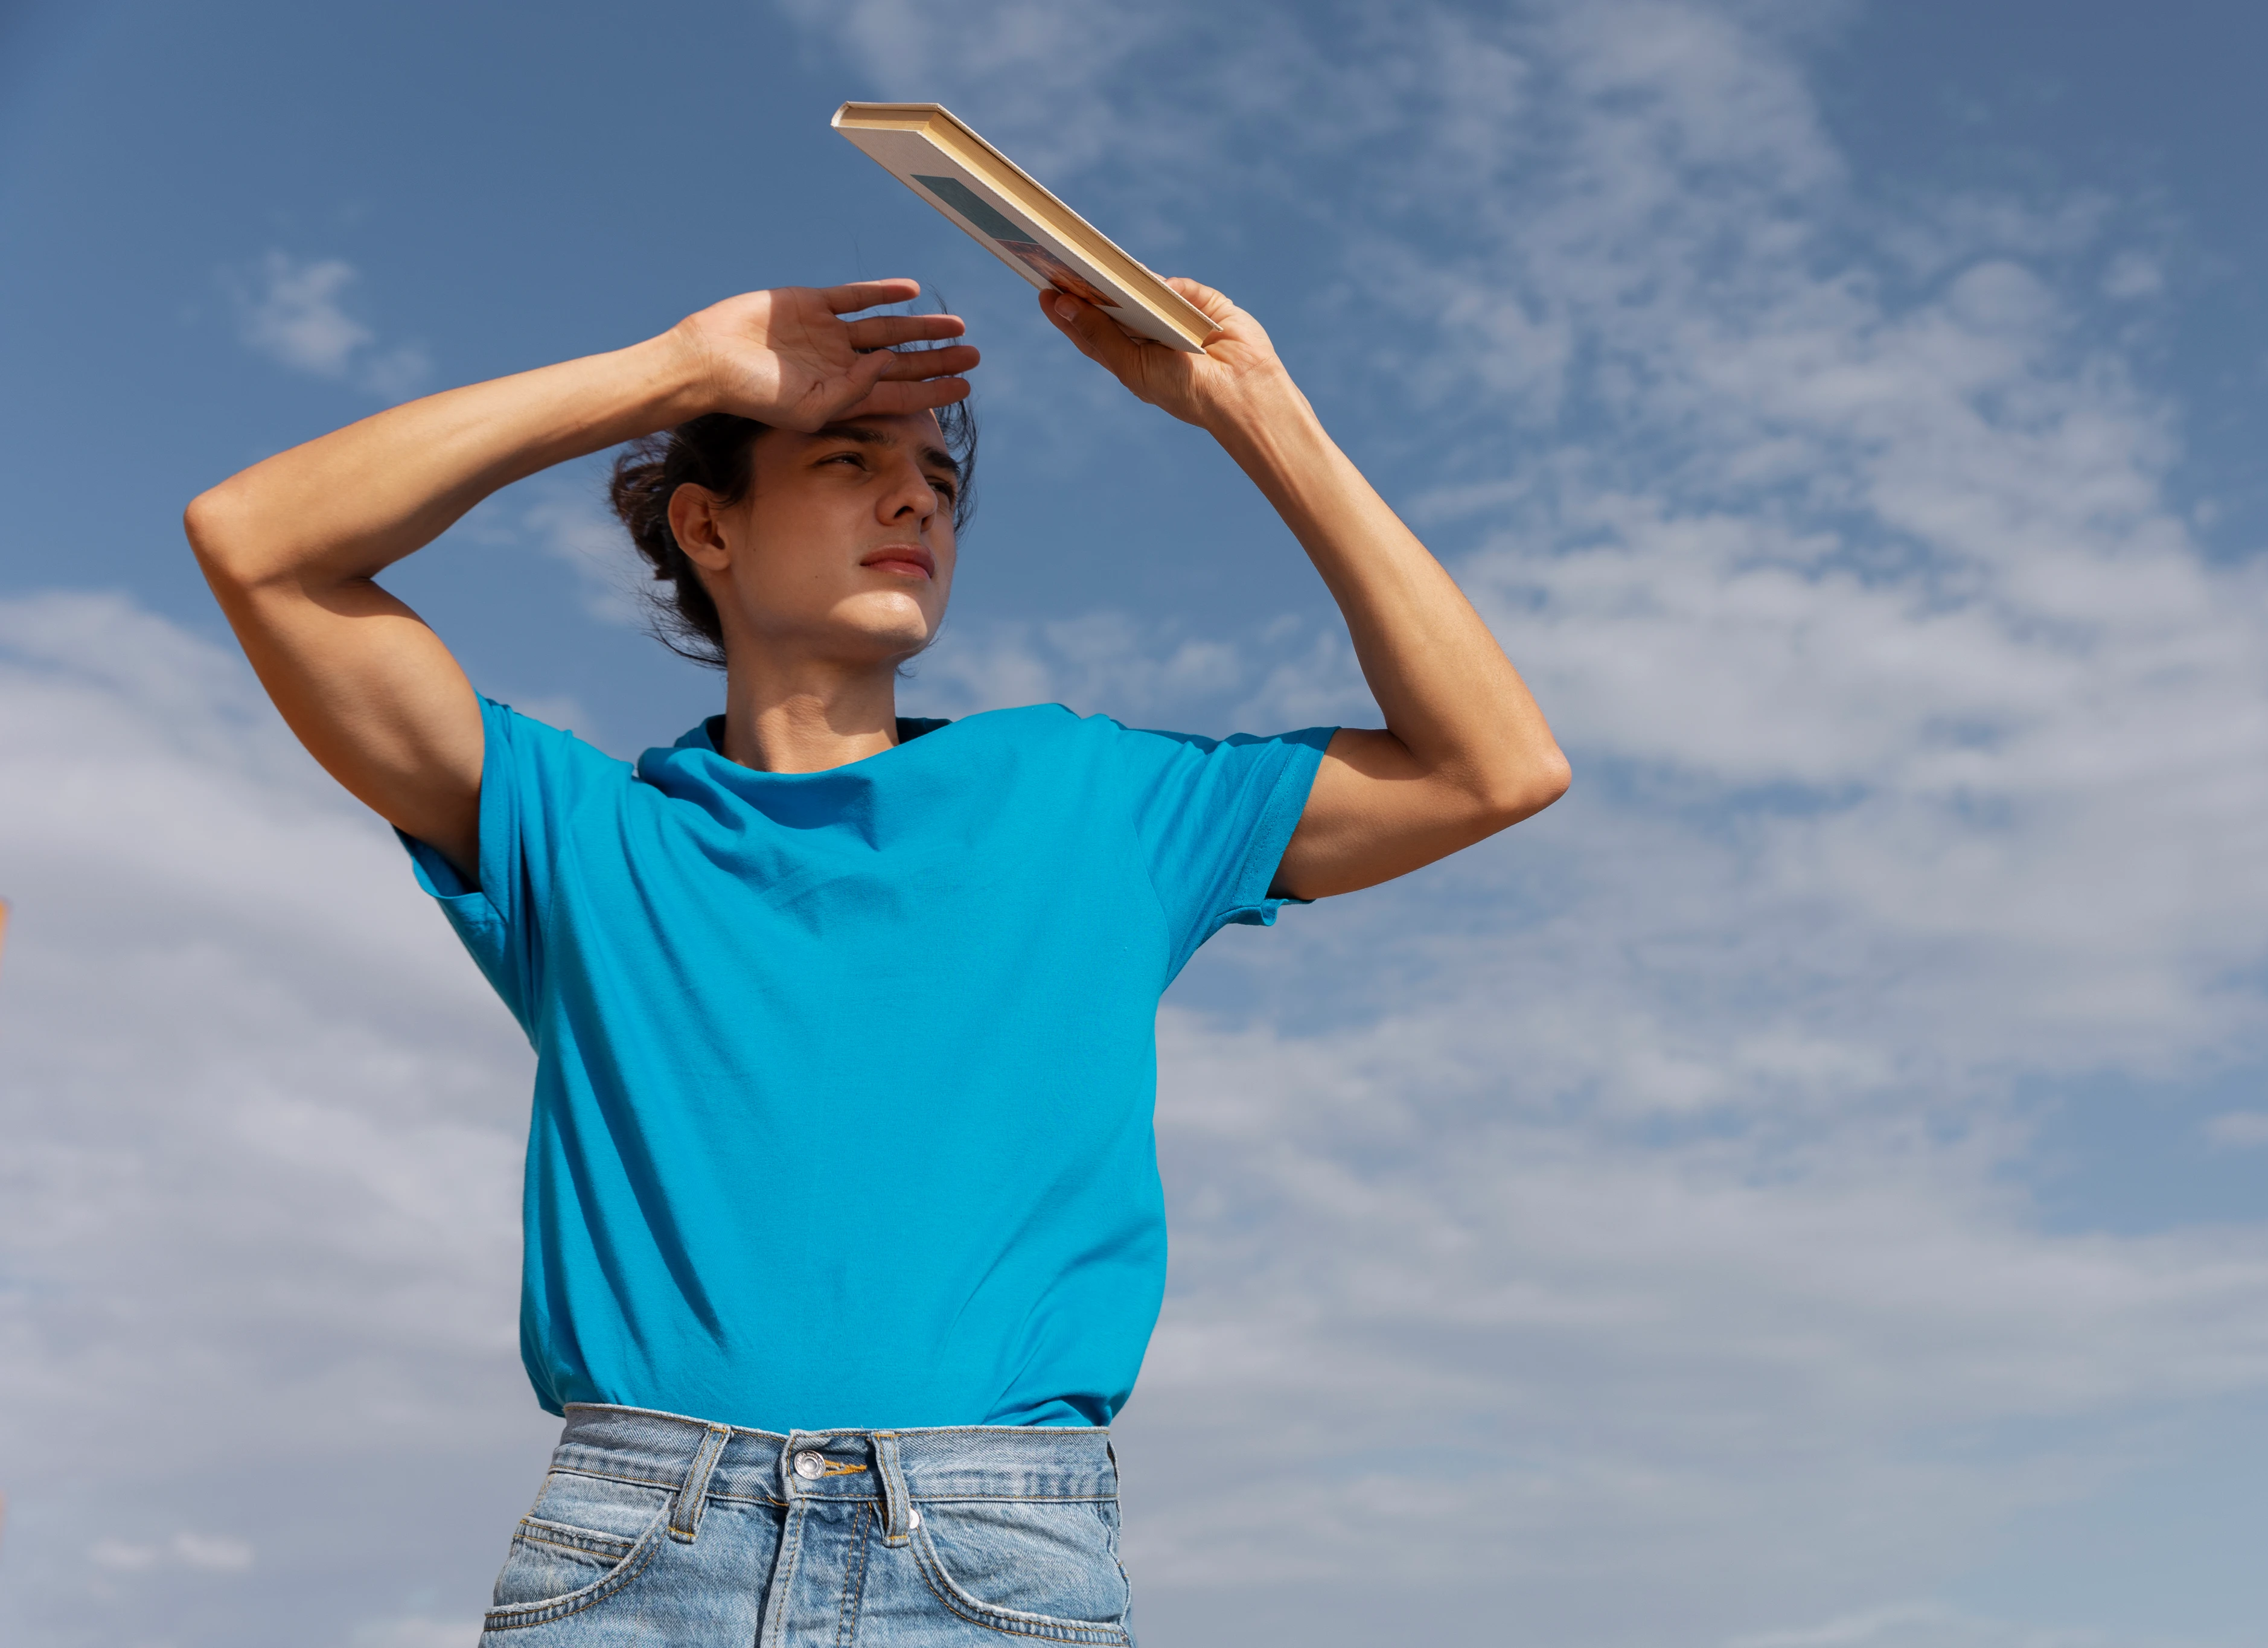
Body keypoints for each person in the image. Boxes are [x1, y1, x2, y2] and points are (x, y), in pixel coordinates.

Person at [185, 273, 1567, 1646]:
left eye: (937, 483)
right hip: (632, 1555)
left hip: (993, 1555)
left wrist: (1255, 413)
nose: (917, 502)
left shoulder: (1095, 800)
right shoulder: (576, 831)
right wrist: (671, 371)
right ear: (707, 527)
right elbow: (258, 541)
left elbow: (1492, 767)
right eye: (850, 460)